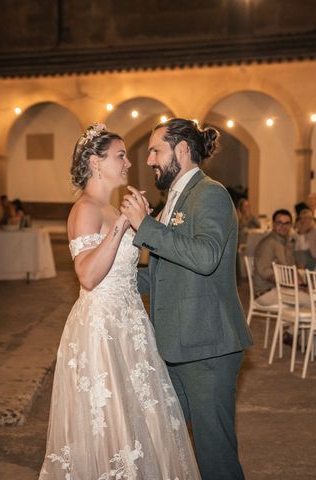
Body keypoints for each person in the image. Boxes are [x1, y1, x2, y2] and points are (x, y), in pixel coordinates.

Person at [39, 124, 200, 480]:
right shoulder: (85, 209)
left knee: (138, 416)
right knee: (109, 420)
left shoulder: (111, 209)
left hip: (130, 323)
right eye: (121, 155)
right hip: (101, 327)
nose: (129, 162)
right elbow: (88, 276)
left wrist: (145, 221)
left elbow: (135, 259)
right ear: (96, 162)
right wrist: (122, 226)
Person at [121, 118, 252, 480]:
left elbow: (206, 256)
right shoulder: (174, 199)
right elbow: (167, 272)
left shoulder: (210, 193)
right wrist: (116, 280)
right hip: (177, 344)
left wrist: (146, 228)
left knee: (215, 454)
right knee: (171, 445)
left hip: (208, 345)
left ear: (182, 150)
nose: (149, 160)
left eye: (155, 150)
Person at [252, 209, 296, 306]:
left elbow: (292, 268)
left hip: (281, 290)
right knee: (309, 301)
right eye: (279, 223)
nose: (283, 227)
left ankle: (292, 320)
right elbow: (265, 271)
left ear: (291, 225)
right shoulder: (267, 244)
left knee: (310, 296)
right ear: (273, 224)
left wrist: (301, 284)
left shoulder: (286, 243)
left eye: (287, 223)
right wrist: (288, 283)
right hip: (265, 292)